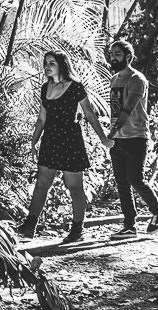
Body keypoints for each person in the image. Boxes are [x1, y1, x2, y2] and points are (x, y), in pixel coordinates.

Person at [16, 51, 111, 244]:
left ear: (61, 65)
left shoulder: (75, 87)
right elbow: (42, 118)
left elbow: (90, 115)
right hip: (50, 140)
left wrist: (103, 139)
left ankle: (77, 229)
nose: (47, 66)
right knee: (41, 184)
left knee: (75, 187)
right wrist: (34, 142)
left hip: (70, 141)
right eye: (45, 63)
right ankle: (29, 226)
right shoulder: (45, 88)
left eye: (51, 63)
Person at [105, 39, 158, 238]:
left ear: (129, 57)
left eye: (118, 54)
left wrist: (110, 133)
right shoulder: (114, 79)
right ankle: (130, 225)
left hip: (136, 137)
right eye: (112, 53)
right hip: (118, 139)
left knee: (135, 179)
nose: (113, 57)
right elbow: (115, 110)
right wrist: (113, 133)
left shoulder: (137, 79)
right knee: (122, 183)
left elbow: (127, 109)